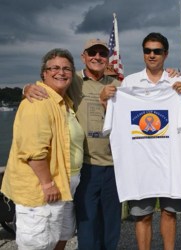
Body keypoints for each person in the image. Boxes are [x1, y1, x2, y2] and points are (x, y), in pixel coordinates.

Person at [24, 39, 122, 250]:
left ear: (107, 58)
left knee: (112, 224)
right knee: (87, 224)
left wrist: (176, 83)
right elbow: (47, 87)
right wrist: (27, 88)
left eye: (102, 53)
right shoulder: (72, 79)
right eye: (92, 52)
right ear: (83, 57)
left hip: (114, 166)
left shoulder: (118, 85)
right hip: (86, 166)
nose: (97, 57)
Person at [101, 32, 181, 250]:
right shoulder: (129, 83)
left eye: (157, 51)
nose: (152, 55)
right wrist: (107, 101)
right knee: (142, 216)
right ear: (143, 53)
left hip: (170, 162)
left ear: (165, 54)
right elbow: (116, 119)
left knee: (169, 213)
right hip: (140, 165)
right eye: (147, 50)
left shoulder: (177, 81)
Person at [1, 48, 84, 250]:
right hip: (42, 191)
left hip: (64, 185)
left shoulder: (63, 102)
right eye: (54, 68)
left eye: (66, 68)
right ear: (44, 73)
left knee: (57, 238)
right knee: (37, 243)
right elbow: (33, 150)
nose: (61, 72)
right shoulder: (37, 102)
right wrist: (47, 184)